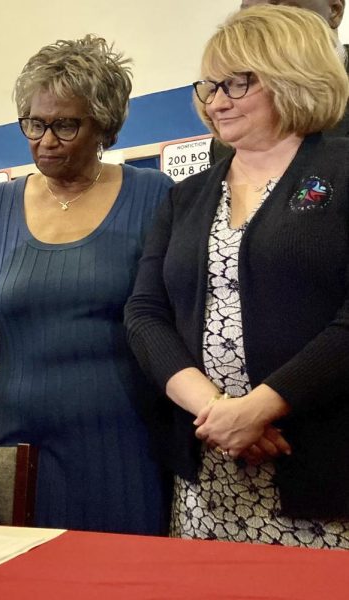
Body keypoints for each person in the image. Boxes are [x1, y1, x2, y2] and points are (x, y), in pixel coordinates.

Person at [125, 5, 349, 547]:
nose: (217, 101)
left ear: (292, 75)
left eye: (237, 83)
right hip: (209, 471)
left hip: (322, 467)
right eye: (209, 86)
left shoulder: (342, 170)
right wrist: (220, 412)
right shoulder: (186, 196)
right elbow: (144, 313)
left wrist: (261, 408)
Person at [0, 36, 174, 534]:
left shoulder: (154, 195)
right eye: (33, 123)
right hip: (20, 442)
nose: (45, 141)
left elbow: (171, 324)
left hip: (126, 439)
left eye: (65, 125)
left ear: (104, 125)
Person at [210, 0, 348, 164]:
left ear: (335, 11)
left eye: (282, 10)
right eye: (250, 14)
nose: (263, 27)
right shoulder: (227, 144)